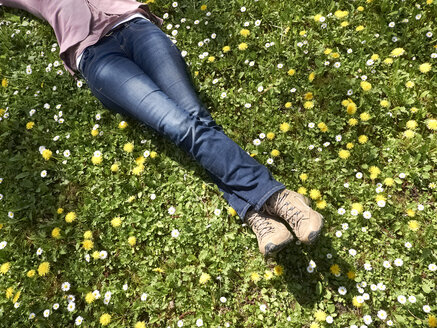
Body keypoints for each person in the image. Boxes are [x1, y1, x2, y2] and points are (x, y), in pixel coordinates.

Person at [1, 0, 324, 258]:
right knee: (179, 125)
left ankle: (256, 214)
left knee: (197, 118)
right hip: (97, 56)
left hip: (136, 28)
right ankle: (278, 197)